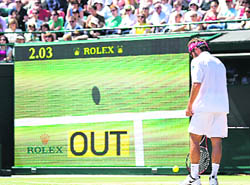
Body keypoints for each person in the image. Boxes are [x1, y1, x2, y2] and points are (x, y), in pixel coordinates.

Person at [180, 38, 229, 185]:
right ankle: (213, 178)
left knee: (194, 138)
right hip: (221, 107)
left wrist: (189, 107)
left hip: (203, 106)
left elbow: (196, 84)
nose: (191, 56)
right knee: (217, 141)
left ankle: (194, 178)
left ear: (196, 50)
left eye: (191, 53)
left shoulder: (197, 61)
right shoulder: (220, 63)